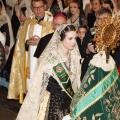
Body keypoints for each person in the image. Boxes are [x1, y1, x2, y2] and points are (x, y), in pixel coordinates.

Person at [16, 24, 81, 120]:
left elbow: (76, 82)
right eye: (70, 39)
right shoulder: (50, 58)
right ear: (61, 39)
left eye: (75, 38)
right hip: (52, 103)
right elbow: (38, 84)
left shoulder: (74, 57)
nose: (74, 42)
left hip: (69, 101)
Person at [66, 8, 120, 120]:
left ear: (110, 19)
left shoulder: (116, 35)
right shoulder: (90, 32)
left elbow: (117, 54)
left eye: (104, 19)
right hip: (89, 71)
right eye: (99, 19)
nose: (101, 22)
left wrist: (105, 53)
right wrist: (87, 50)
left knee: (105, 100)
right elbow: (81, 51)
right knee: (87, 99)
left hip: (107, 72)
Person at [8, 0, 53, 103]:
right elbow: (20, 42)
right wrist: (27, 42)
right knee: (30, 80)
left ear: (45, 6)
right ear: (32, 8)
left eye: (40, 7)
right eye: (35, 8)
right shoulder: (28, 22)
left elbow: (55, 43)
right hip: (30, 59)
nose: (38, 10)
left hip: (43, 61)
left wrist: (40, 42)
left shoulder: (51, 23)